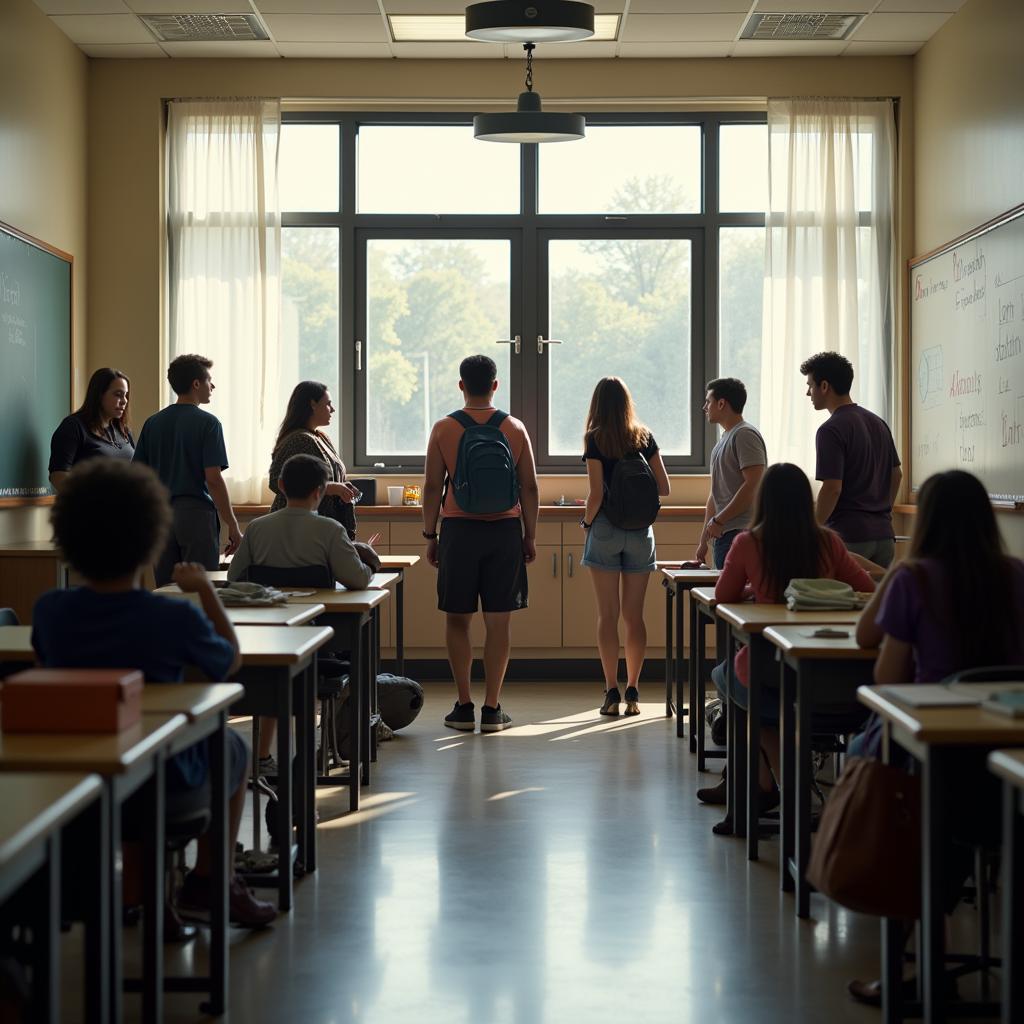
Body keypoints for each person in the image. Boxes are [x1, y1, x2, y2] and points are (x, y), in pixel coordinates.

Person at [30, 459, 275, 928]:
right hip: (162, 787)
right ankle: (211, 880)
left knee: (133, 756)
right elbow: (228, 660)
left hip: (73, 782)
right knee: (231, 748)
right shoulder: (172, 617)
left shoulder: (50, 611)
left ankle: (139, 894)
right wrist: (204, 589)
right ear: (151, 538)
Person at [848, 469, 1024, 1006]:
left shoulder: (915, 578)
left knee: (888, 780)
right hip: (1009, 777)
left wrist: (898, 571)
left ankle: (919, 966)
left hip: (937, 775)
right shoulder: (1017, 574)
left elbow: (886, 676)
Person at [703, 463, 874, 835]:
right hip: (835, 681)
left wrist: (755, 594)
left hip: (772, 672)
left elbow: (723, 596)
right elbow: (865, 587)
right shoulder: (828, 541)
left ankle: (765, 788)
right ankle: (773, 787)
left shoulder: (748, 542)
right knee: (743, 689)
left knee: (728, 680)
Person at [230, 453, 381, 775]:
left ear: (281, 486)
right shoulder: (329, 530)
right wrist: (369, 562)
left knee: (277, 674)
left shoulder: (257, 528)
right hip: (318, 640)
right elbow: (356, 579)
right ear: (321, 490)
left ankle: (262, 756)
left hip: (267, 639)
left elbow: (234, 578)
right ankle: (335, 742)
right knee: (358, 655)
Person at [422, 354, 539, 733]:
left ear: (461, 385)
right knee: (498, 623)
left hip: (459, 531)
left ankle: (463, 705)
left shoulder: (443, 429)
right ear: (495, 385)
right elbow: (530, 487)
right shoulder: (515, 428)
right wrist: (530, 535)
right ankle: (492, 709)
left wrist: (430, 535)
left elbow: (431, 488)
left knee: (458, 619)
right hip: (504, 532)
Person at [580, 377, 671, 716]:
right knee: (635, 616)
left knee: (608, 615)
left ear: (597, 404)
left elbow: (596, 495)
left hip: (605, 528)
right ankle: (634, 690)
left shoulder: (595, 438)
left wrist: (587, 523)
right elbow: (664, 487)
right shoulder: (643, 436)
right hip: (640, 531)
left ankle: (611, 692)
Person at [133, 354, 241, 587]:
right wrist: (232, 523)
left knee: (165, 588)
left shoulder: (153, 423)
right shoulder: (209, 423)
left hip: (159, 515)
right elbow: (213, 479)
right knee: (201, 588)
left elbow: (138, 477)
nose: (212, 386)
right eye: (209, 380)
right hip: (195, 515)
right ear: (196, 384)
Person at [801, 351, 902, 567]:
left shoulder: (830, 430)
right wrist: (883, 511)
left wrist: (814, 530)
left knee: (838, 600)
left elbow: (832, 488)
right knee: (874, 600)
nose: (808, 393)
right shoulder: (878, 423)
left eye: (810, 385)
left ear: (825, 386)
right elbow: (897, 474)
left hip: (848, 537)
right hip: (884, 536)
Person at [268, 381, 361, 541]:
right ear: (312, 404)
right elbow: (278, 482)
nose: (332, 409)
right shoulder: (299, 440)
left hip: (322, 525)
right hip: (299, 530)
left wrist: (342, 487)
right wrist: (332, 488)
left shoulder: (321, 437)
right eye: (328, 404)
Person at [696, 377, 766, 569]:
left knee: (735, 596)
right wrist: (704, 540)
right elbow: (715, 495)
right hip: (723, 533)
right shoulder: (723, 440)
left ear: (721, 403)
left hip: (741, 531)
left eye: (708, 401)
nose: (705, 407)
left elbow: (754, 484)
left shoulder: (744, 435)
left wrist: (719, 520)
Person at [48, 367, 135, 491]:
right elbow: (58, 475)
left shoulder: (124, 431)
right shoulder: (73, 426)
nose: (124, 401)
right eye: (118, 394)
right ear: (99, 395)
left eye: (126, 395)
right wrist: (89, 503)